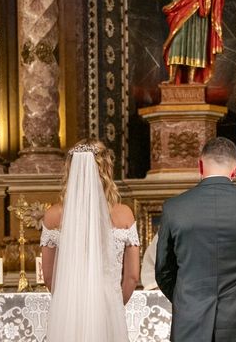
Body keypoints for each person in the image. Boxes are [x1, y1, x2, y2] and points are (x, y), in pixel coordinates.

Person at [155, 136, 236, 342]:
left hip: (190, 321)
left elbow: (163, 269)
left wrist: (187, 300)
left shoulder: (174, 207)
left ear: (200, 165)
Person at [40, 139, 140, 342]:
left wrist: (66, 306)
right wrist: (114, 306)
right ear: (106, 170)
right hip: (108, 305)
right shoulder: (124, 215)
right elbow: (132, 276)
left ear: (71, 170)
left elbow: (49, 277)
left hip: (69, 307)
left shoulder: (53, 215)